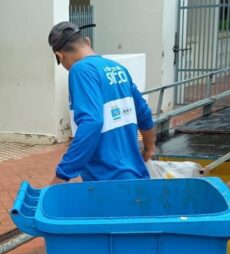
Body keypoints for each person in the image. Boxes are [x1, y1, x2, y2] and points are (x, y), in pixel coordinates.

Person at [48, 21, 157, 184]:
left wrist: (62, 175)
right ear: (87, 41)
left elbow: (92, 122)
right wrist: (149, 147)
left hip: (106, 183)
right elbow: (144, 113)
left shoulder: (80, 70)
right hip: (137, 178)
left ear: (59, 56)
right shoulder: (118, 69)